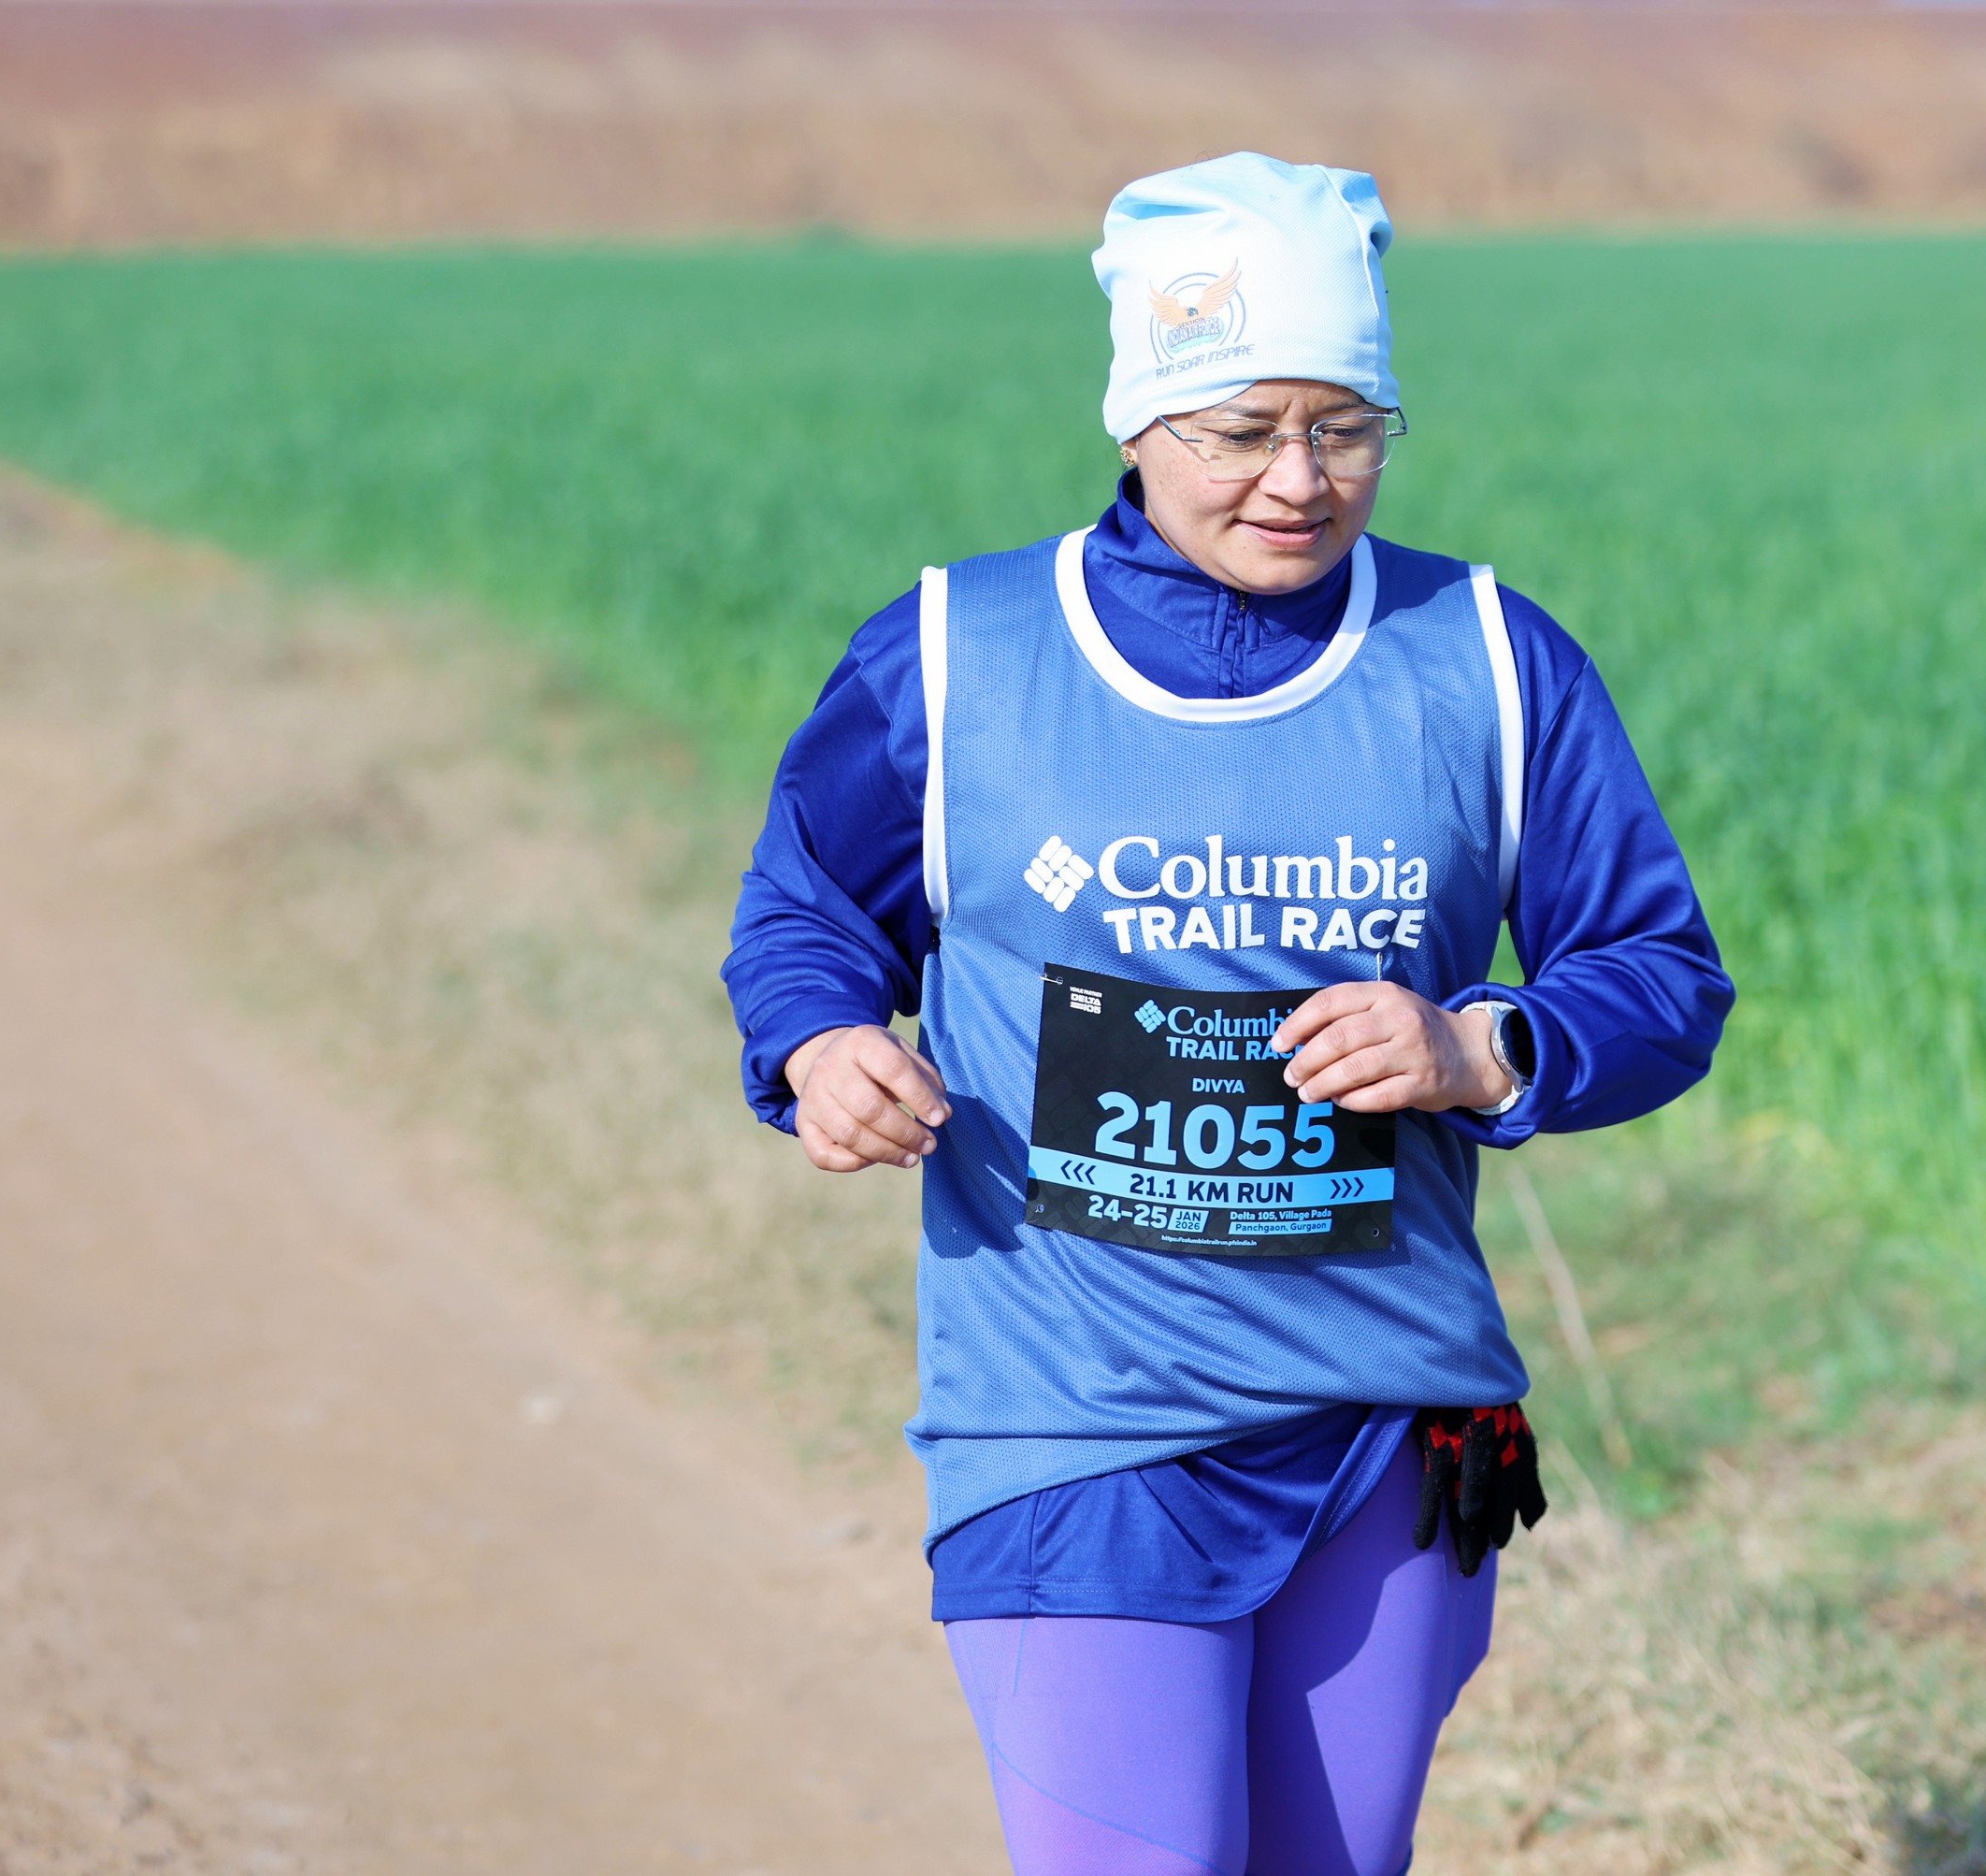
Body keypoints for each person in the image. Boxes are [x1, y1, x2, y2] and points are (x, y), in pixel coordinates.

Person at [724, 152, 1732, 1876]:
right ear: (1136, 416)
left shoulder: (1487, 657)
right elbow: (807, 912)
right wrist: (823, 1043)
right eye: (1241, 428)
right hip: (1073, 1423)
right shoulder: (956, 652)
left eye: (1345, 427)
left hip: (1389, 1423)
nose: (1296, 479)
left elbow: (1656, 972)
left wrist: (1474, 1045)